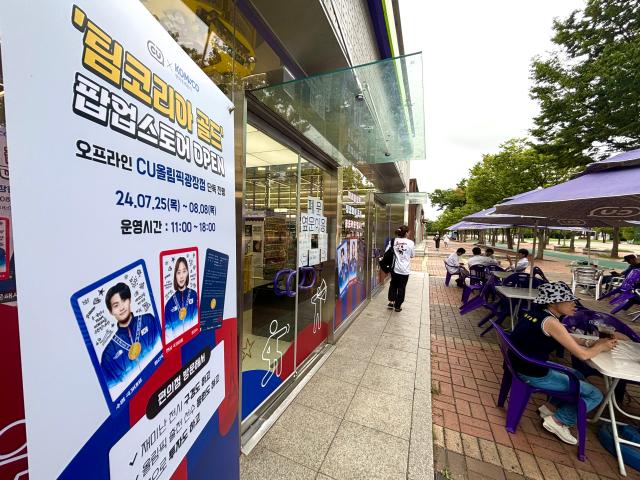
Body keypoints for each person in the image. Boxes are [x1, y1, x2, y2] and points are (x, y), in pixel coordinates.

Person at [509, 282, 615, 445]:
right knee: (596, 395)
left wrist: (591, 342)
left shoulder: (536, 313)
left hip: (521, 365)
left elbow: (565, 336)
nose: (574, 304)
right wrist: (600, 347)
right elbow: (583, 355)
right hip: (533, 373)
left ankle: (549, 409)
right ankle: (559, 421)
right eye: (568, 300)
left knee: (577, 375)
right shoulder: (551, 323)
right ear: (552, 302)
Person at [101, 282, 162, 392]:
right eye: (116, 305)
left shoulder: (148, 320)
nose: (121, 307)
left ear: (130, 300)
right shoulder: (108, 354)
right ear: (111, 311)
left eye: (124, 300)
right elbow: (112, 390)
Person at [164, 257, 199, 341]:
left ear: (187, 273)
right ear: (175, 275)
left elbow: (196, 323)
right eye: (178, 272)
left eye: (184, 271)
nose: (181, 276)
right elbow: (168, 335)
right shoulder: (169, 305)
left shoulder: (194, 295)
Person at [385, 225, 415, 311]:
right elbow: (412, 255)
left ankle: (391, 302)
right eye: (408, 232)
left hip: (395, 268)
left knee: (393, 285)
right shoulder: (411, 243)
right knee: (402, 287)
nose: (409, 234)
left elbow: (387, 252)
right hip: (405, 270)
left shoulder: (393, 241)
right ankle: (398, 306)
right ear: (406, 233)